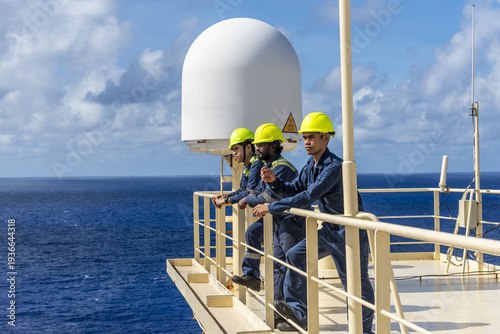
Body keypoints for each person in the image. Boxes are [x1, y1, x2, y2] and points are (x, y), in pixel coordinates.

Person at [253, 112, 374, 333]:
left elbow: (308, 196)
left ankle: (364, 331)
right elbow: (294, 189)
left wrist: (271, 207)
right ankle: (299, 314)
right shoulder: (311, 164)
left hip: (350, 233)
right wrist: (275, 181)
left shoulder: (334, 167)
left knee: (356, 284)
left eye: (311, 137)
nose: (306, 142)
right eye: (304, 137)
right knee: (296, 254)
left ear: (326, 138)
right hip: (329, 230)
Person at [232, 123, 305, 312]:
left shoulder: (281, 167)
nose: (257, 148)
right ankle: (278, 306)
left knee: (291, 265)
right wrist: (251, 198)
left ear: (273, 147)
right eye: (256, 145)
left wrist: (249, 199)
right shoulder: (268, 166)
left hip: (290, 222)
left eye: (261, 145)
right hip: (278, 218)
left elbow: (270, 196)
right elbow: (259, 192)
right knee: (277, 265)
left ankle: (296, 310)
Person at [212, 127, 263, 209]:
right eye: (233, 149)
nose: (234, 153)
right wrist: (225, 197)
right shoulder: (248, 166)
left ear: (248, 147)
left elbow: (249, 192)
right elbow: (242, 190)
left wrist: (224, 201)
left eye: (236, 149)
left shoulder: (257, 164)